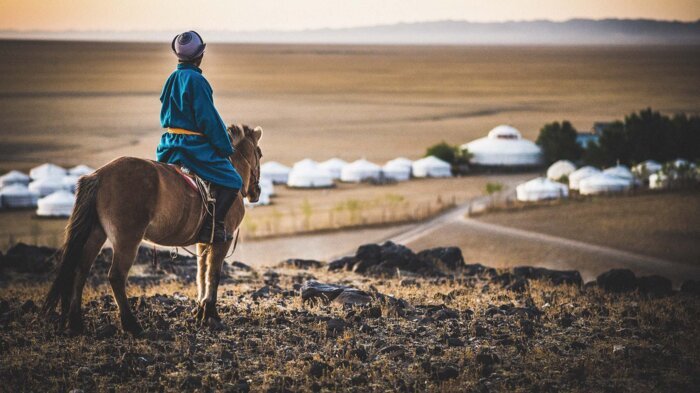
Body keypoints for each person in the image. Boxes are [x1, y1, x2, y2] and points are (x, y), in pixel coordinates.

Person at [156, 30, 241, 243]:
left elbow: (165, 112)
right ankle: (212, 228)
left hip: (169, 144)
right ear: (199, 55)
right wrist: (225, 148)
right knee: (233, 180)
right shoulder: (197, 80)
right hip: (192, 147)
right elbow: (208, 119)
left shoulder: (171, 78)